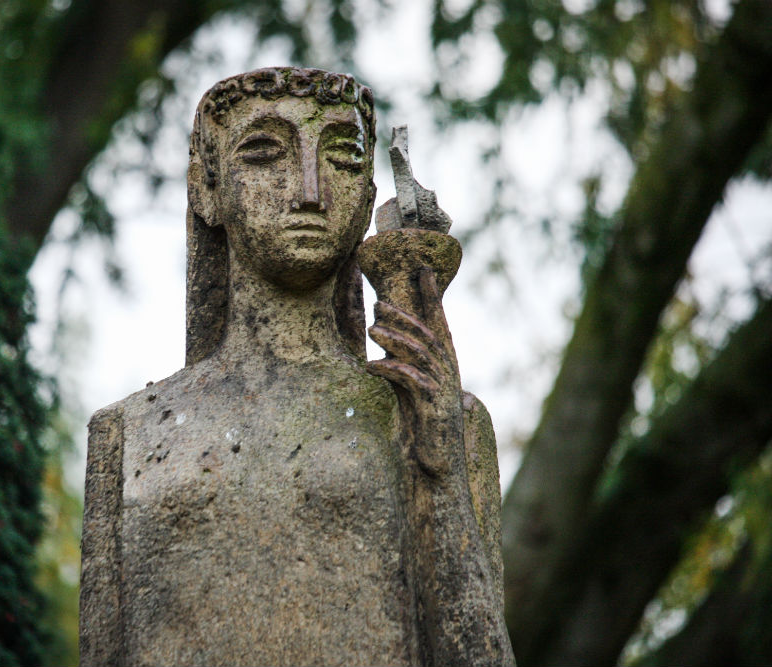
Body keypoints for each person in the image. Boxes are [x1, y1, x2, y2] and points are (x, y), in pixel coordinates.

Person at [80, 67, 514, 667]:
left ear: (366, 196)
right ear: (207, 187)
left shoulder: (436, 420)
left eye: (340, 156)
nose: (309, 191)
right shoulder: (127, 436)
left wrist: (437, 476)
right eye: (264, 153)